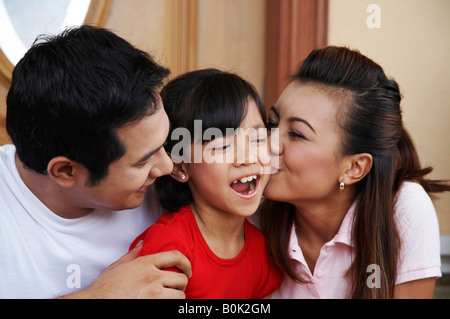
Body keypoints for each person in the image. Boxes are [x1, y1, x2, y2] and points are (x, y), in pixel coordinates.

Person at [0, 25, 192, 299]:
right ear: (66, 171)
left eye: (164, 143)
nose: (167, 167)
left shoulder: (179, 184)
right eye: (143, 162)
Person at [260, 46, 450, 299]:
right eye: (272, 123)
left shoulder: (403, 208)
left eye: (296, 134)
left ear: (354, 168)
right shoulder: (251, 204)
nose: (268, 143)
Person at [129, 69, 284, 298]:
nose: (247, 157)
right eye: (221, 146)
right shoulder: (169, 247)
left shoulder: (263, 251)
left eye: (257, 138)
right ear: (180, 167)